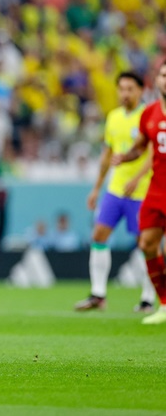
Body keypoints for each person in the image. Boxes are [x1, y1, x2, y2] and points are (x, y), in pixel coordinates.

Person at [75, 71, 156, 312]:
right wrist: (96, 188)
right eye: (121, 89)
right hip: (115, 189)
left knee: (145, 244)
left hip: (141, 191)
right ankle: (98, 294)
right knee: (99, 235)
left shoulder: (149, 116)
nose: (125, 94)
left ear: (141, 90)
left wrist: (138, 178)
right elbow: (107, 155)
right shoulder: (113, 117)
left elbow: (153, 154)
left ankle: (148, 298)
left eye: (130, 89)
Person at [111, 61, 166, 324]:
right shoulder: (150, 114)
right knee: (146, 244)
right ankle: (164, 303)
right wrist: (125, 157)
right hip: (156, 190)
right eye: (163, 75)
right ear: (157, 80)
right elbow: (141, 147)